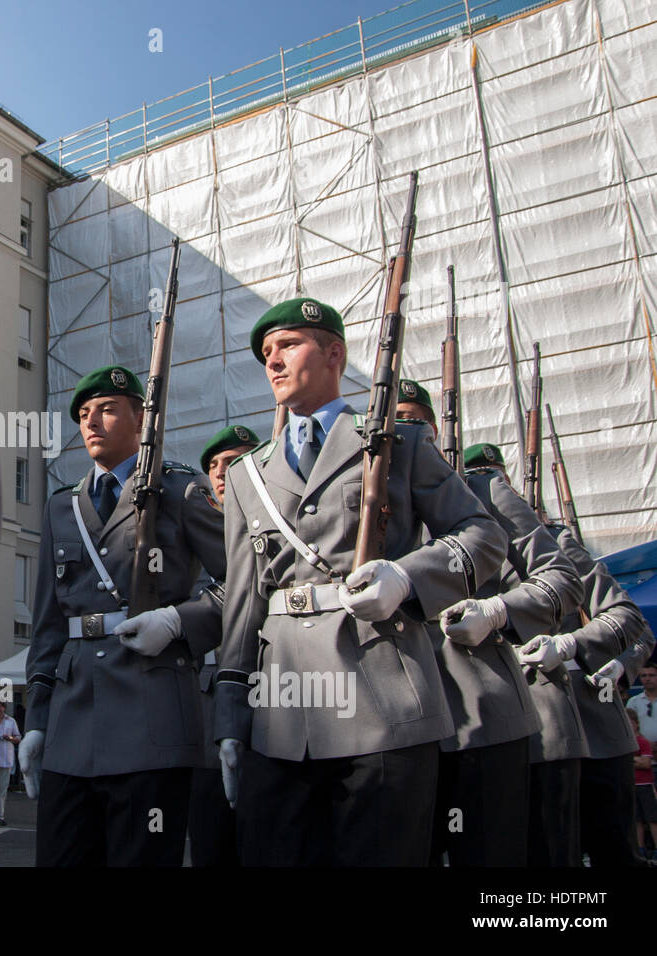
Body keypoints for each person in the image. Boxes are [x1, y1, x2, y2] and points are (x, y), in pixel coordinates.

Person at [213, 299, 508, 866]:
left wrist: (406, 576)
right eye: (266, 354)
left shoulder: (400, 443)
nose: (273, 362)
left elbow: (483, 536)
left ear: (333, 354)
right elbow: (244, 606)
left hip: (382, 698)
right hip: (281, 708)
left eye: (288, 346)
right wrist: (231, 716)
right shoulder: (249, 473)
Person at [21, 365, 228, 866]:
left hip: (152, 712)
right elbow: (49, 623)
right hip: (72, 722)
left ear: (143, 418)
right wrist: (37, 719)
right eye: (84, 414)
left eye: (108, 409)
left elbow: (244, 581)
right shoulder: (60, 507)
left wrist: (181, 621)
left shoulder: (179, 489)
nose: (92, 422)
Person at [407, 392, 582, 867]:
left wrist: (499, 611)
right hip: (394, 723)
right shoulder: (364, 498)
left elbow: (562, 580)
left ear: (434, 433)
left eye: (413, 424)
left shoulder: (484, 493)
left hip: (481, 722)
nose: (402, 435)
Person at [532, 517, 655, 867]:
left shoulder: (560, 544)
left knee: (616, 849)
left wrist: (617, 666)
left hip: (597, 723)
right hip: (540, 731)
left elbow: (639, 630)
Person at [186, 424, 258, 867]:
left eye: (231, 463)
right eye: (212, 466)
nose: (219, 474)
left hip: (270, 712)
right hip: (207, 723)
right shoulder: (194, 540)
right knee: (211, 847)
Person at [628, 708, 657, 858]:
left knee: (652, 818)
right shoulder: (627, 743)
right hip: (632, 785)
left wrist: (629, 759)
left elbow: (645, 763)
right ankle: (640, 850)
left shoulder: (643, 742)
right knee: (637, 819)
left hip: (645, 785)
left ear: (637, 724)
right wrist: (636, 760)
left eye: (631, 722)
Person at [626, 665, 657, 742]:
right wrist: (645, 744)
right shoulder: (633, 702)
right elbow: (629, 728)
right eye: (644, 676)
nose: (647, 679)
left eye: (651, 675)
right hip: (642, 749)